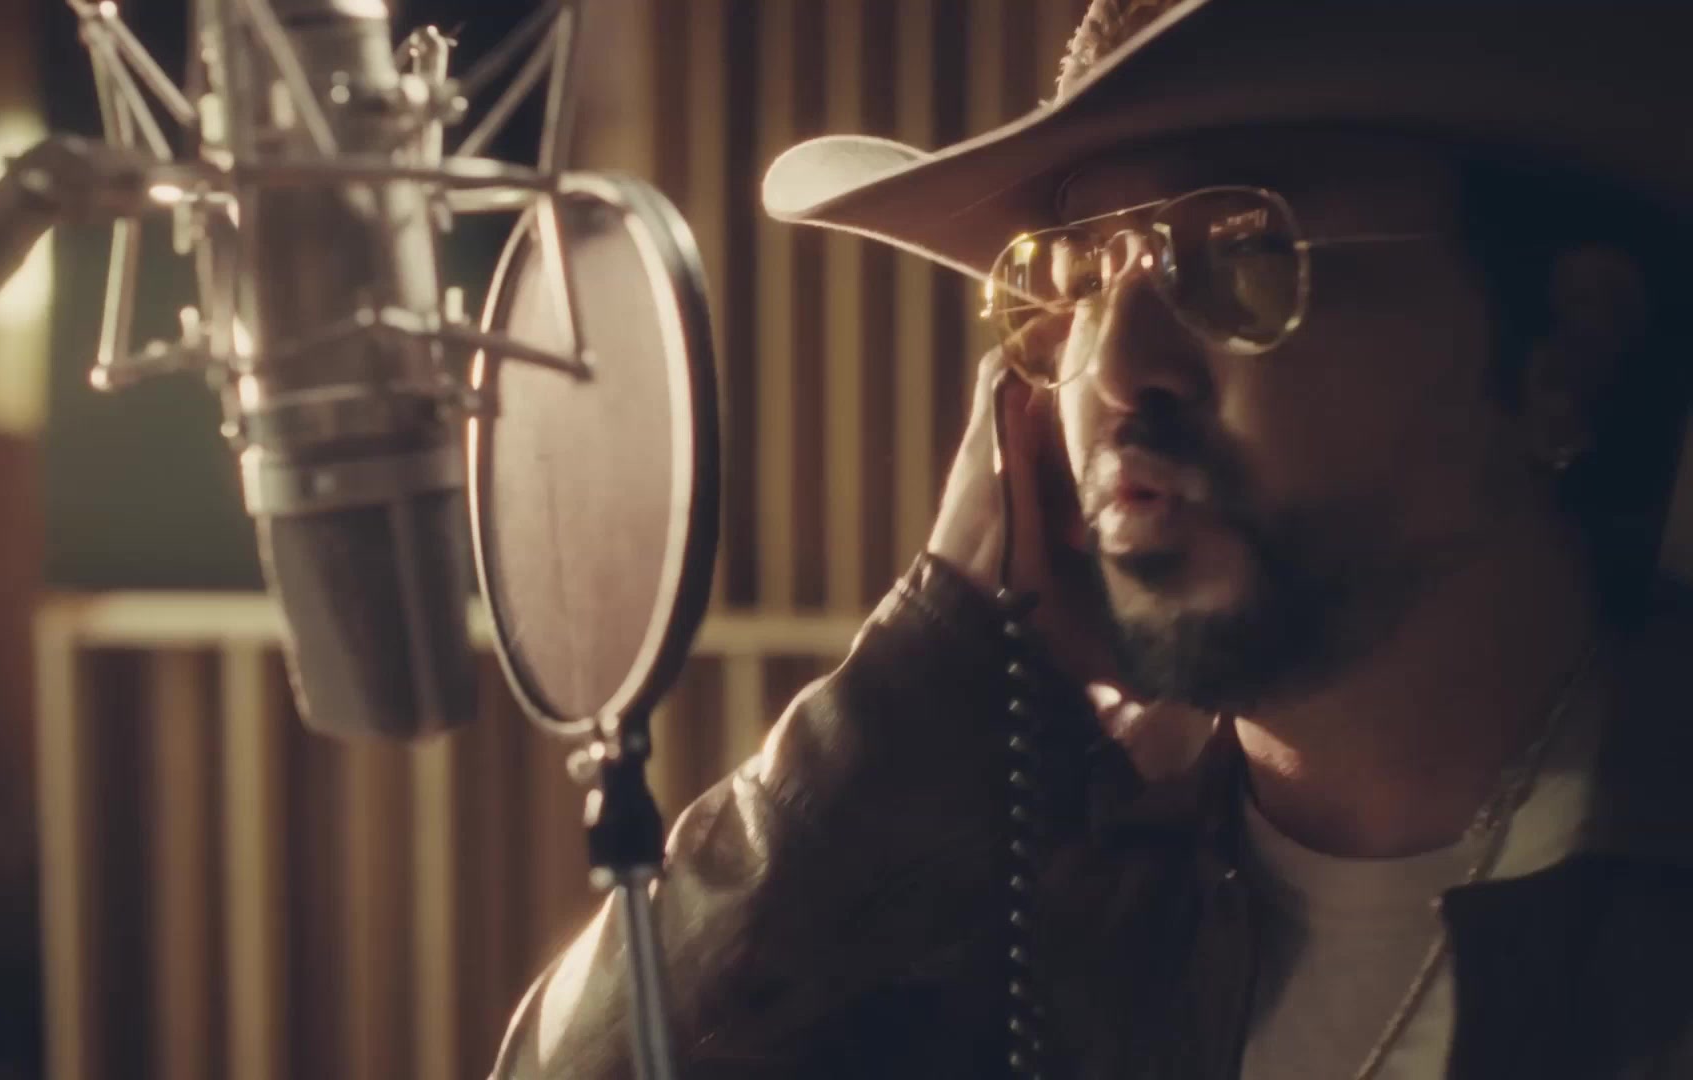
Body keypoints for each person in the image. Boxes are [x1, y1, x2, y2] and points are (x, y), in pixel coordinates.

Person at [491, 1, 1693, 1076]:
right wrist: (938, 660)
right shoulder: (1033, 894)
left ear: (1564, 354)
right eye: (1072, 284)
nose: (1113, 366)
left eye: (1240, 250)